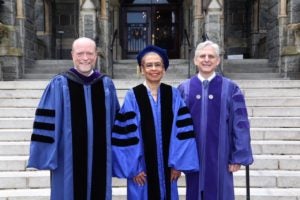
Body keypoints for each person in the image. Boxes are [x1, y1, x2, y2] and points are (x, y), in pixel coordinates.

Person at [27, 37, 120, 200]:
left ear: (96, 56)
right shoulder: (59, 84)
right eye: (80, 53)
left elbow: (116, 124)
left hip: (100, 158)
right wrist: (47, 155)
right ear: (72, 55)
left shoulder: (106, 85)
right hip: (67, 159)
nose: (85, 58)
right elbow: (46, 124)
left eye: (89, 53)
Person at [111, 45, 199, 200]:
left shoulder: (173, 94)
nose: (154, 69)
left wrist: (177, 163)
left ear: (164, 69)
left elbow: (182, 131)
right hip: (142, 170)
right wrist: (134, 168)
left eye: (158, 65)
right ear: (142, 69)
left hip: (168, 166)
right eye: (149, 65)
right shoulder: (133, 95)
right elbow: (126, 134)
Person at [177, 40, 254, 200]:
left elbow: (240, 124)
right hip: (193, 155)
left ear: (218, 60)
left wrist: (238, 155)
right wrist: (178, 158)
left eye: (211, 56)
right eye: (202, 56)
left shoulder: (231, 88)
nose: (206, 59)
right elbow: (176, 126)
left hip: (222, 155)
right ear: (195, 60)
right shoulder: (184, 88)